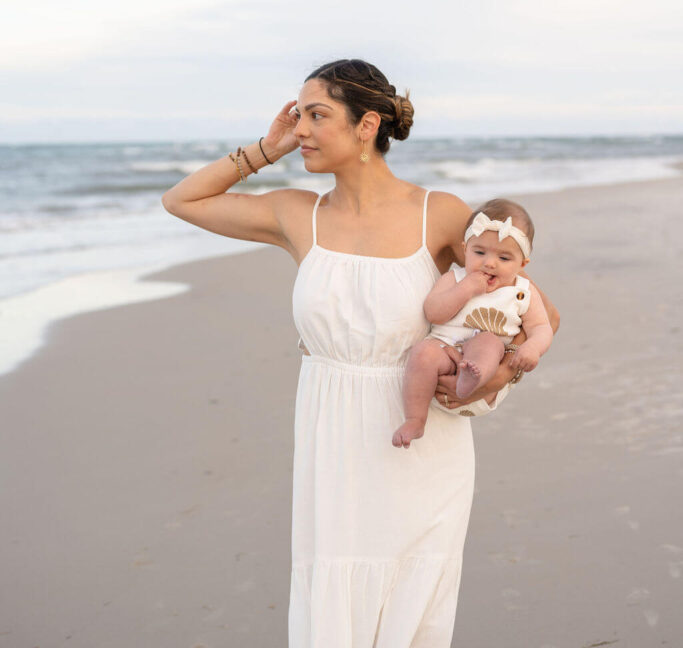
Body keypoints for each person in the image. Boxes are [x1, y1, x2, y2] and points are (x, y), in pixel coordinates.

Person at [161, 59, 559, 648]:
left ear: (367, 124)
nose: (301, 129)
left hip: (422, 438)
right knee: (335, 600)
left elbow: (535, 313)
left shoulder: (441, 214)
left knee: (411, 599)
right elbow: (181, 200)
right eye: (298, 116)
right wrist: (264, 151)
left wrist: (497, 377)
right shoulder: (297, 214)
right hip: (333, 433)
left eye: (317, 115)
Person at [392, 198, 554, 448]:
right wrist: (465, 289)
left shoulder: (523, 291)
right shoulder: (454, 279)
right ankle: (415, 419)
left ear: (522, 264)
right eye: (479, 252)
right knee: (423, 352)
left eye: (504, 258)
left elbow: (542, 327)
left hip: (485, 382)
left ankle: (471, 375)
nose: (489, 263)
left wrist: (532, 348)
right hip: (443, 363)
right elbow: (433, 312)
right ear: (465, 249)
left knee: (488, 340)